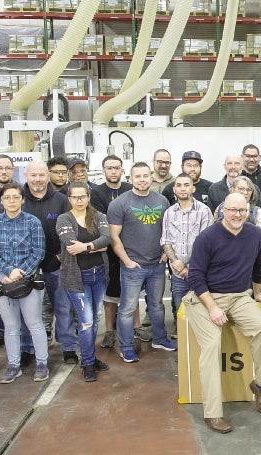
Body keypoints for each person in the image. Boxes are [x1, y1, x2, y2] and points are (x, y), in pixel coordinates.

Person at [186, 192, 261, 429]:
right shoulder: (207, 237)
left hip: (239, 296)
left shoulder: (254, 233)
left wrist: (257, 293)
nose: (237, 215)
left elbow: (258, 268)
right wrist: (213, 308)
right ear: (223, 210)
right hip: (206, 297)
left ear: (248, 211)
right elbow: (195, 276)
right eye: (233, 210)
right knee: (212, 344)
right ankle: (212, 412)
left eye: (242, 211)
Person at [108, 162, 176, 362]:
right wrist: (127, 261)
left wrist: (166, 252)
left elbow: (168, 230)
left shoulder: (162, 200)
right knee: (127, 309)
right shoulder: (119, 204)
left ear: (151, 177)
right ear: (131, 178)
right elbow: (114, 237)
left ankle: (160, 338)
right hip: (133, 266)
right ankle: (126, 347)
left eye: (146, 176)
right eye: (137, 176)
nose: (142, 179)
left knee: (156, 305)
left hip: (157, 264)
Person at [0, 184, 48, 383]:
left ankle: (42, 364)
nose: (11, 201)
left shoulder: (32, 222)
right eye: (7, 197)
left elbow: (38, 251)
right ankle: (14, 366)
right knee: (11, 327)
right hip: (3, 281)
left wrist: (20, 273)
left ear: (22, 200)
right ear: (1, 201)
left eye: (15, 197)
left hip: (29, 281)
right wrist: (7, 271)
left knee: (35, 323)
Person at [56, 183, 113, 381]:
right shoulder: (64, 219)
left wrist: (87, 246)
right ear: (69, 199)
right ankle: (87, 363)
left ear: (88, 197)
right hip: (77, 278)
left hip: (99, 276)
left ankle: (91, 357)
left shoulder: (99, 216)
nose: (79, 201)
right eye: (75, 197)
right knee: (87, 321)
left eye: (83, 196)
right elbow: (71, 245)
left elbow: (106, 239)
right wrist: (96, 247)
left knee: (95, 318)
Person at [23, 160, 77, 364]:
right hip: (28, 267)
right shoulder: (19, 199)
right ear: (26, 176)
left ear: (48, 176)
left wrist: (62, 256)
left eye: (41, 175)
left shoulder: (62, 200)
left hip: (56, 265)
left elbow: (72, 229)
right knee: (29, 312)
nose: (37, 179)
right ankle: (28, 349)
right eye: (33, 175)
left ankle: (69, 347)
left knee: (63, 308)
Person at [160, 173, 213, 336]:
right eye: (179, 185)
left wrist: (188, 265)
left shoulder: (204, 211)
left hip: (199, 271)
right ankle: (185, 344)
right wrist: (176, 262)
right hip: (177, 274)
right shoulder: (169, 213)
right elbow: (165, 240)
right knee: (181, 309)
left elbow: (206, 243)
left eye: (186, 185)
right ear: (174, 189)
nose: (182, 188)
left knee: (202, 310)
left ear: (193, 188)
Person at [90, 155, 133, 349]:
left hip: (130, 246)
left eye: (117, 168)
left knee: (132, 289)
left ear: (122, 170)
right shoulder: (97, 193)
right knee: (110, 292)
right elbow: (102, 220)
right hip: (107, 249)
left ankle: (136, 326)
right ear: (103, 171)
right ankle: (109, 330)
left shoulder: (129, 190)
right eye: (109, 168)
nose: (113, 171)